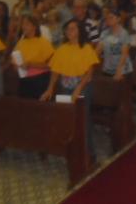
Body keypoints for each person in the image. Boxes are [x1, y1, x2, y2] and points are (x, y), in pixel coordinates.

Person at [40, 19, 99, 160]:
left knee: (83, 119)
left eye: (73, 28)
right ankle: (70, 149)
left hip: (82, 87)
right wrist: (49, 89)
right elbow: (55, 71)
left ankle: (88, 153)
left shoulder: (86, 48)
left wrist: (78, 90)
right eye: (67, 29)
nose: (69, 32)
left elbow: (89, 73)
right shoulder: (61, 48)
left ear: (79, 31)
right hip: (65, 88)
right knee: (67, 117)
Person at [11, 15, 54, 100]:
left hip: (39, 80)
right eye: (23, 24)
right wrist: (15, 66)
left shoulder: (43, 42)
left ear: (34, 26)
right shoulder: (21, 42)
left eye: (27, 24)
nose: (23, 27)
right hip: (24, 79)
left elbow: (51, 65)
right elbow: (14, 59)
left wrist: (31, 64)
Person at [97, 9, 132, 80]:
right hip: (108, 69)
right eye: (107, 18)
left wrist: (119, 71)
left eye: (111, 17)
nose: (108, 20)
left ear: (118, 19)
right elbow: (98, 50)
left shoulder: (124, 33)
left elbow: (124, 54)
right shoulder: (104, 33)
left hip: (123, 70)